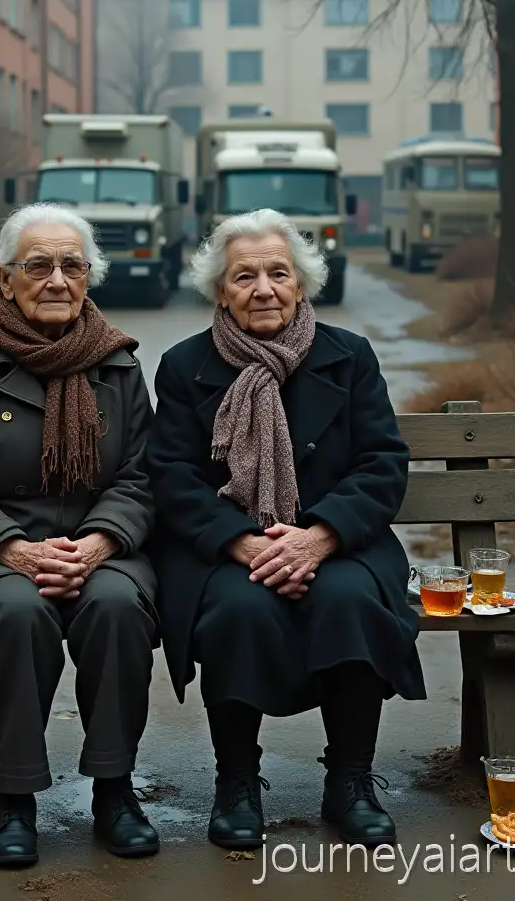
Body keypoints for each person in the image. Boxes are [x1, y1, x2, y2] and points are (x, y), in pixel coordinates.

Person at [145, 208, 426, 851]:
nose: (263, 288)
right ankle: (237, 782)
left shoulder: (348, 357)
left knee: (349, 598)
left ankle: (351, 782)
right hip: (225, 548)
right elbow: (172, 476)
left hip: (338, 543)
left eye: (279, 273)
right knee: (239, 609)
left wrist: (318, 538)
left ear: (301, 285)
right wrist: (243, 542)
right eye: (245, 276)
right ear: (222, 290)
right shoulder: (184, 365)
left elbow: (382, 464)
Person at [0, 203, 160, 868]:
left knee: (115, 607)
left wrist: (102, 542)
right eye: (39, 265)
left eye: (72, 265)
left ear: (88, 278)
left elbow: (140, 476)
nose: (56, 279)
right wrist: (14, 550)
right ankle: (13, 797)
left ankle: (114, 789)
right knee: (18, 612)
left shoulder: (118, 366)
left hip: (93, 548)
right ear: (4, 279)